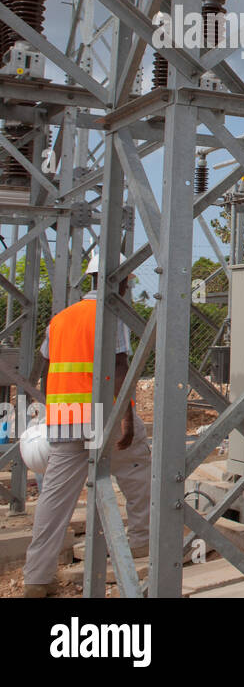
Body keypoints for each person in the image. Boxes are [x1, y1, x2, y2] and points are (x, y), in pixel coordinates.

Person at [23, 253, 150, 598]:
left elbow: (48, 371)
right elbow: (120, 365)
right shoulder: (113, 315)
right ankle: (141, 541)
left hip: (64, 418)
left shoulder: (60, 319)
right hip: (103, 415)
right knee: (138, 469)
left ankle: (37, 576)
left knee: (56, 496)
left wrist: (50, 415)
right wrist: (127, 420)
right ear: (121, 281)